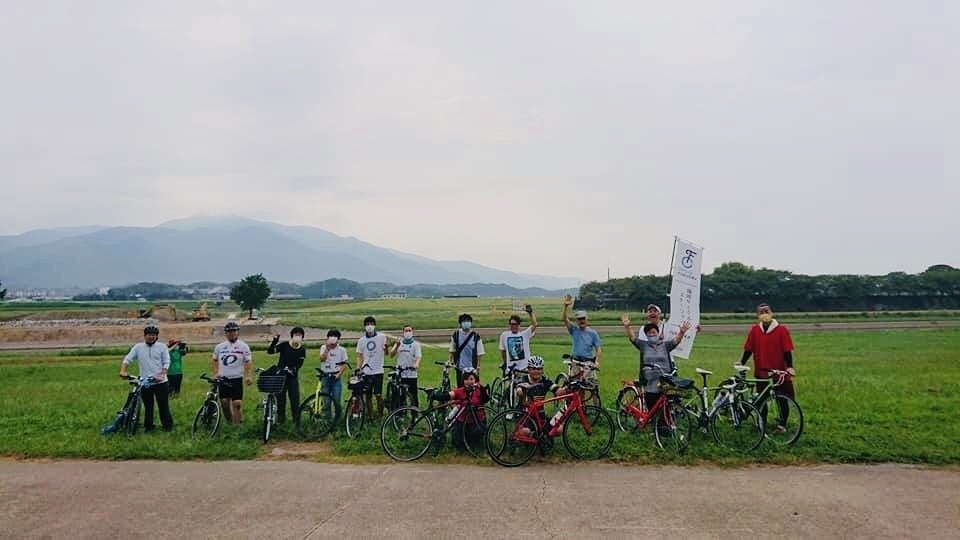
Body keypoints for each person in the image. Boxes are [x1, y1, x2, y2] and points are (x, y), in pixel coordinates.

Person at [738, 303, 797, 433]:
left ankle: (782, 424)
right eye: (761, 312)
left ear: (771, 313)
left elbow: (787, 350)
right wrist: (742, 362)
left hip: (779, 371)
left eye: (766, 311)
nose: (764, 314)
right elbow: (749, 349)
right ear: (757, 315)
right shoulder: (755, 330)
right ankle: (761, 423)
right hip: (762, 371)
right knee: (761, 399)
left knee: (782, 399)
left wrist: (790, 366)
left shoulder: (781, 330)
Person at [621, 314, 692, 410]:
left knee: (667, 406)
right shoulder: (643, 346)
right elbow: (633, 338)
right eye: (649, 333)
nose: (651, 335)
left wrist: (682, 332)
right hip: (650, 382)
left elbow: (676, 341)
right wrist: (627, 326)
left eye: (653, 332)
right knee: (652, 407)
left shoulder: (665, 345)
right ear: (646, 335)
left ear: (658, 333)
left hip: (665, 381)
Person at [117, 324, 173, 432]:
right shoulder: (138, 347)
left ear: (156, 336)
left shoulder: (162, 347)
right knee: (148, 406)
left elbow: (166, 361)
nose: (151, 337)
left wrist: (162, 374)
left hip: (161, 382)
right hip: (145, 382)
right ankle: (149, 426)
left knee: (163, 405)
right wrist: (123, 371)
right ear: (144, 336)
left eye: (153, 335)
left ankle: (167, 426)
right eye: (149, 335)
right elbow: (127, 359)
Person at [430, 368, 489, 451]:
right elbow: (448, 396)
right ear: (463, 381)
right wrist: (435, 396)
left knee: (476, 435)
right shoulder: (460, 391)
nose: (469, 382)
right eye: (466, 379)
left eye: (471, 379)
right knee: (457, 441)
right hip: (462, 421)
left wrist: (483, 389)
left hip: (477, 421)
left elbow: (486, 399)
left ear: (475, 380)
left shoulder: (479, 391)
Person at [212, 321, 253, 425]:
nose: (232, 333)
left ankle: (237, 425)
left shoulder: (243, 346)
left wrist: (248, 376)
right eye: (229, 331)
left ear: (238, 332)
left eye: (234, 331)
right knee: (225, 403)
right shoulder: (219, 347)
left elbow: (248, 361)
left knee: (237, 403)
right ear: (226, 333)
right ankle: (230, 422)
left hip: (237, 378)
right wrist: (216, 373)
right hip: (223, 378)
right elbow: (214, 360)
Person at [267, 326, 307, 425]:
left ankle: (296, 421)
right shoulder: (285, 345)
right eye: (296, 334)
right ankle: (281, 421)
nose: (297, 336)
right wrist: (275, 341)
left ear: (302, 337)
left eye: (300, 335)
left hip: (292, 377)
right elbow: (270, 351)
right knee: (280, 399)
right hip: (280, 376)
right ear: (292, 336)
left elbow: (300, 364)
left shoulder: (302, 349)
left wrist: (293, 369)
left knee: (295, 399)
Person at [356, 316, 389, 417]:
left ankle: (380, 414)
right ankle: (370, 415)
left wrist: (387, 347)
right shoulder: (361, 340)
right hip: (366, 371)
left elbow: (386, 353)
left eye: (371, 324)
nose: (369, 326)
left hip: (378, 370)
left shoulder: (382, 337)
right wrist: (358, 367)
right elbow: (359, 356)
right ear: (364, 326)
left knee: (378, 395)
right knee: (368, 395)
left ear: (375, 325)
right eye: (367, 324)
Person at [560, 294, 603, 369]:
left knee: (589, 376)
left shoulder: (593, 333)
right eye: (579, 319)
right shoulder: (574, 329)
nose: (581, 321)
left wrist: (597, 362)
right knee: (574, 376)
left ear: (586, 319)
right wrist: (565, 306)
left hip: (588, 362)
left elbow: (598, 348)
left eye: (583, 318)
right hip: (575, 361)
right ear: (576, 321)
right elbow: (564, 319)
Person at [498, 305, 538, 376]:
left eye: (516, 324)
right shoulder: (504, 335)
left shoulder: (524, 335)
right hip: (512, 369)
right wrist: (505, 363)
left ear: (519, 325)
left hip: (524, 368)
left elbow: (534, 325)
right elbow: (503, 351)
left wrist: (530, 313)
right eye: (512, 324)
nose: (513, 326)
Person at [389, 324, 422, 407]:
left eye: (409, 330)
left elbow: (418, 357)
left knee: (413, 394)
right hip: (400, 373)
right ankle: (399, 411)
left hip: (411, 373)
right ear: (403, 332)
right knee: (400, 395)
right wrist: (397, 346)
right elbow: (391, 355)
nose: (408, 332)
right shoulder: (399, 343)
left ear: (412, 332)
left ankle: (415, 411)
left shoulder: (415, 344)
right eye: (406, 331)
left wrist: (416, 364)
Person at [318, 329, 348, 418]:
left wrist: (339, 374)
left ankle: (338, 418)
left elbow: (344, 364)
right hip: (325, 376)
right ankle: (327, 419)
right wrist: (327, 349)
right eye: (331, 336)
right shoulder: (323, 347)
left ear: (338, 339)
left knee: (337, 399)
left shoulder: (342, 350)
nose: (333, 338)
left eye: (335, 336)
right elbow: (322, 359)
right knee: (326, 400)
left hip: (336, 377)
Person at [449, 313, 485, 387]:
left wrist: (478, 366)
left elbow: (479, 352)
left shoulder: (476, 336)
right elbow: (452, 350)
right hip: (460, 367)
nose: (466, 323)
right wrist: (450, 361)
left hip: (472, 368)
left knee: (474, 388)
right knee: (461, 388)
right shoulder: (456, 335)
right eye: (464, 321)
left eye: (468, 321)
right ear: (460, 324)